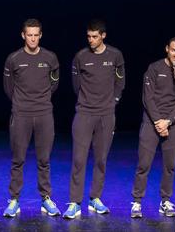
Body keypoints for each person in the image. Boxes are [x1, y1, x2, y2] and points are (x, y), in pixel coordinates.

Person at [63, 19, 125, 219]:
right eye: (89, 36)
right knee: (79, 159)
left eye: (95, 36)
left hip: (106, 115)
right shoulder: (80, 57)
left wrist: (112, 102)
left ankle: (95, 198)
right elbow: (76, 85)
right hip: (84, 114)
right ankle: (74, 202)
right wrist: (87, 102)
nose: (91, 40)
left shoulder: (115, 55)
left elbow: (120, 82)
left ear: (103, 36)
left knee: (101, 159)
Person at [2, 18, 61, 217]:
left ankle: (46, 199)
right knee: (18, 160)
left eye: (36, 35)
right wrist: (22, 103)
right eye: (29, 35)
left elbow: (54, 84)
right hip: (21, 115)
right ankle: (14, 200)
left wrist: (40, 101)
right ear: (23, 35)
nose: (33, 38)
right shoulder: (14, 59)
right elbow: (8, 88)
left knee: (44, 160)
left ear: (41, 35)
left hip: (44, 114)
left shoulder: (50, 58)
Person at [130, 37, 175, 218]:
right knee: (144, 164)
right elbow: (147, 98)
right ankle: (137, 202)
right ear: (167, 49)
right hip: (151, 122)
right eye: (173, 50)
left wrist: (168, 121)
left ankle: (165, 201)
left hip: (172, 124)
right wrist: (158, 121)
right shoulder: (154, 68)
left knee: (169, 166)